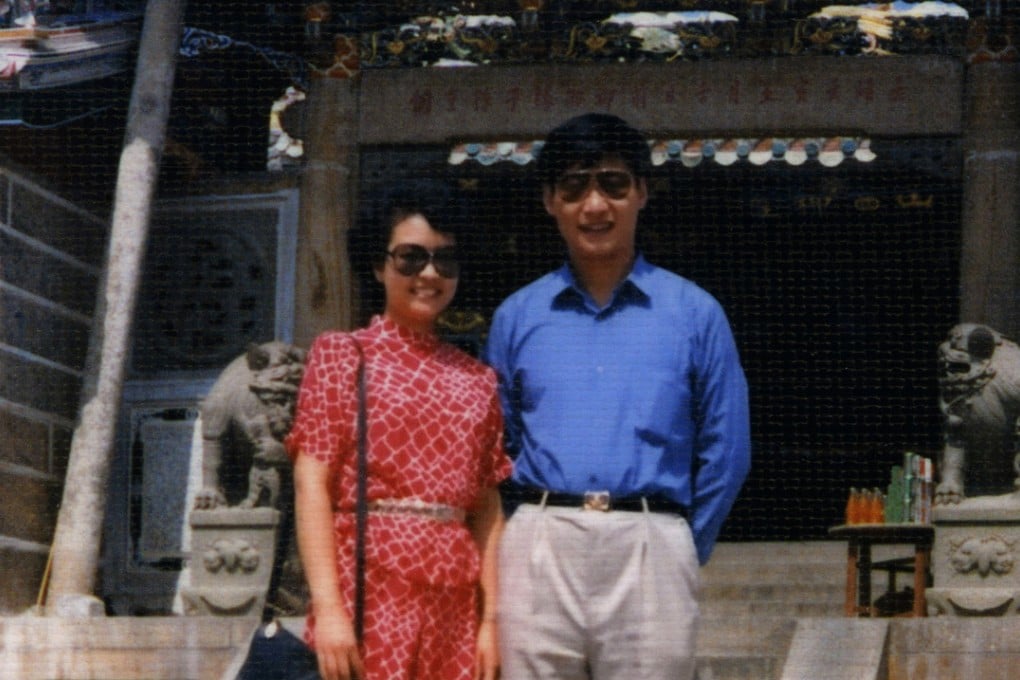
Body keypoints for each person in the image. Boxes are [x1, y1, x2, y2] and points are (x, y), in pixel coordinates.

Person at [484, 112, 751, 679]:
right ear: (550, 201)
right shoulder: (517, 317)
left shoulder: (695, 313)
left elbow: (726, 450)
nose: (595, 205)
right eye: (574, 187)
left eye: (612, 183)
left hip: (651, 541)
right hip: (539, 542)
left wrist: (676, 538)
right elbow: (493, 448)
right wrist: (524, 532)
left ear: (642, 193)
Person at [286, 179, 512, 680]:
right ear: (378, 264)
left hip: (453, 598)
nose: (429, 273)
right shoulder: (344, 355)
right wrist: (329, 609)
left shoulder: (478, 379)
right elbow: (311, 484)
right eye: (411, 258)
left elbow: (488, 507)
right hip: (368, 588)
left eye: (445, 260)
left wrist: (491, 619)